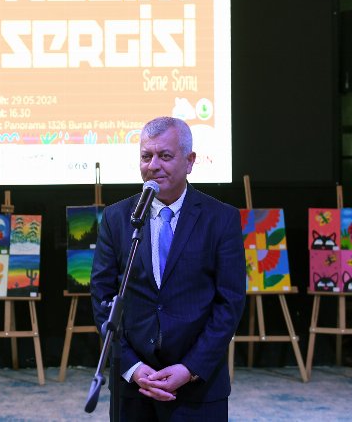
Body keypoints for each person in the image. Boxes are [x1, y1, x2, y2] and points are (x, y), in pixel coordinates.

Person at [91, 116, 246, 421]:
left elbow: (230, 302)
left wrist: (190, 368)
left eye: (165, 156)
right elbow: (103, 298)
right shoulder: (117, 218)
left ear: (190, 161)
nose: (153, 166)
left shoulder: (221, 218)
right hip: (134, 389)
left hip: (199, 388)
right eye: (146, 156)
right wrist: (133, 368)